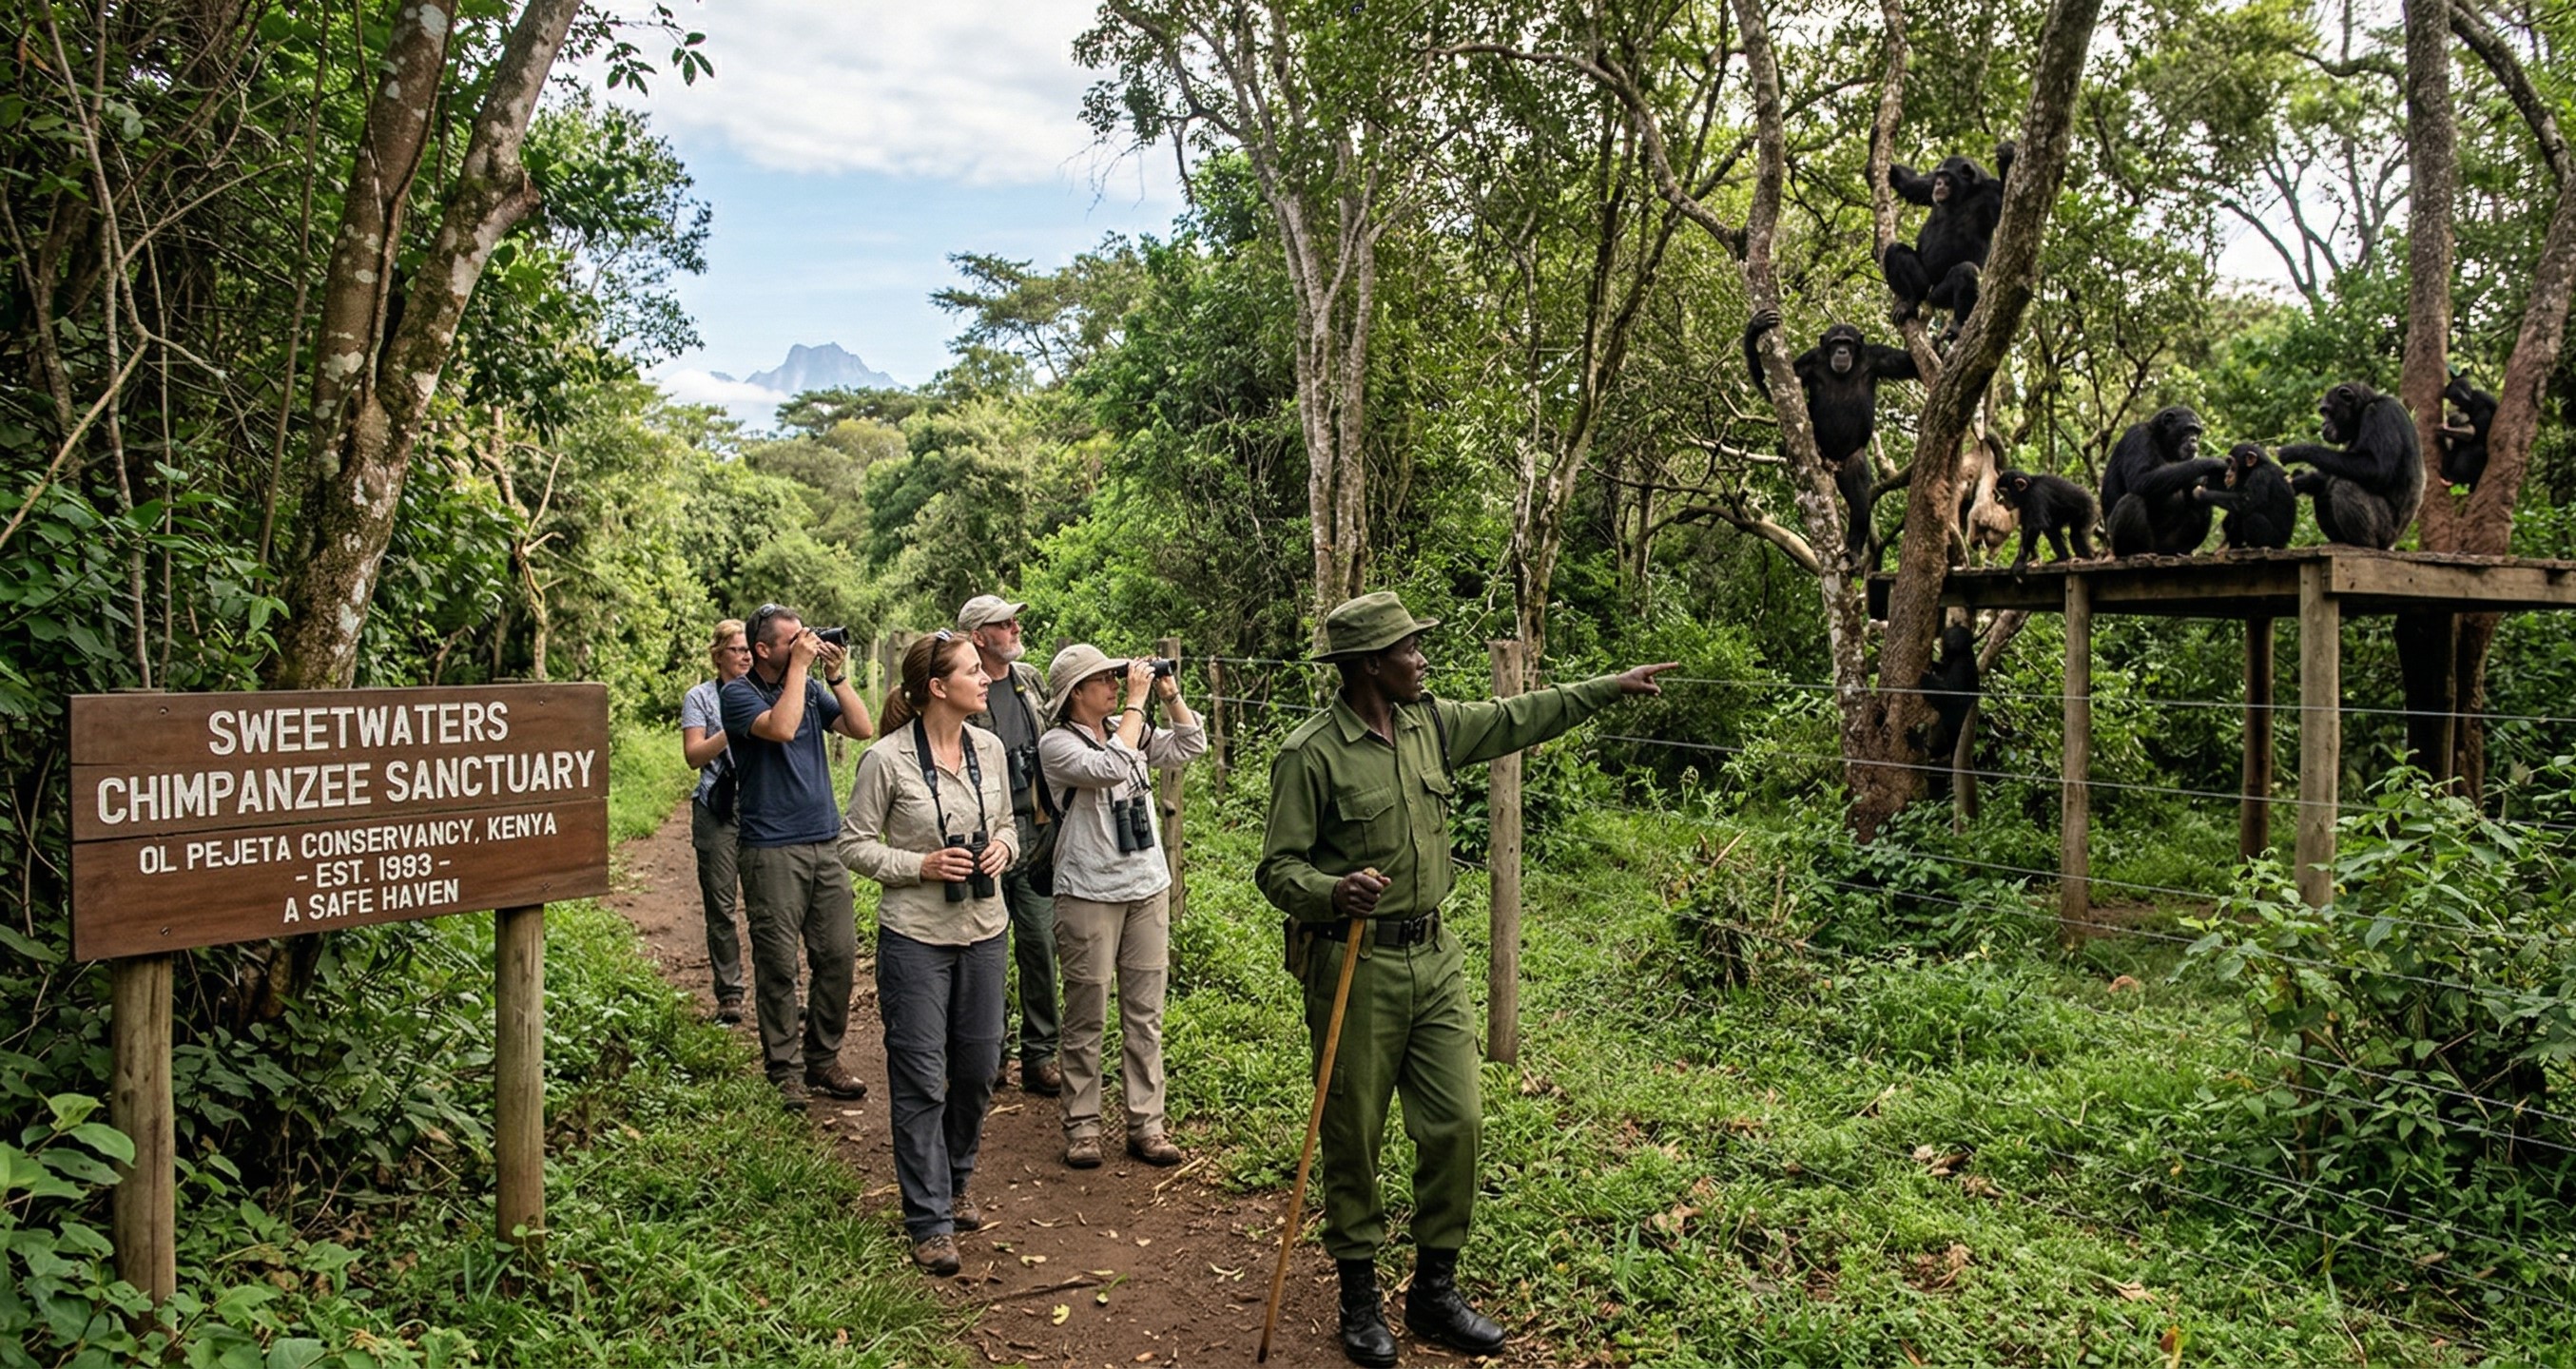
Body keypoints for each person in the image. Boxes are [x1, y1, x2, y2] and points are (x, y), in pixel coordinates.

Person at [1256, 591, 1675, 1367]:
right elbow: (1277, 868)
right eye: (1408, 650)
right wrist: (1332, 891)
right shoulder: (1309, 754)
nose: (1421, 660)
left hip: (1435, 958)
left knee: (1457, 1122)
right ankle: (1358, 1298)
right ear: (1368, 665)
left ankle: (1432, 1291)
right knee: (1353, 1134)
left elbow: (1517, 717)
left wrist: (1607, 688)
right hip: (1356, 963)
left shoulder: (1430, 724)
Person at [839, 631, 1019, 1277]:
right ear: (938, 688)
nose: (986, 677)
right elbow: (854, 844)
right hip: (915, 939)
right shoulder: (885, 760)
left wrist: (1003, 849)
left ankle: (956, 1180)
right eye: (973, 670)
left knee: (978, 1068)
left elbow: (1008, 824)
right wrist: (920, 865)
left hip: (985, 930)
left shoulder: (989, 749)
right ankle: (929, 1220)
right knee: (919, 1077)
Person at [1036, 646, 1207, 1170]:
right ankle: (1082, 1127)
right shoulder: (1057, 744)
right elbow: (1110, 766)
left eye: (1117, 677)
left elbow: (1191, 744)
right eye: (1104, 680)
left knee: (1145, 1016)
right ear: (1075, 693)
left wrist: (1168, 695)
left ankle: (1147, 1125)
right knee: (1086, 1013)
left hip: (1146, 886)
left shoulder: (1127, 727)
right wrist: (1136, 703)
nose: (1114, 685)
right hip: (1088, 889)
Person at [720, 604, 877, 1111]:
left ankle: (822, 1059)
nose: (803, 644)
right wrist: (803, 669)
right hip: (770, 847)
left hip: (824, 840)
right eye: (792, 641)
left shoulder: (808, 687)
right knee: (778, 965)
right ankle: (785, 1070)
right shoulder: (737, 694)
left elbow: (861, 728)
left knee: (838, 956)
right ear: (762, 649)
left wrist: (836, 676)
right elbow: (782, 728)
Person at [957, 594, 1064, 1097]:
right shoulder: (961, 687)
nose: (1015, 628)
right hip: (984, 837)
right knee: (986, 949)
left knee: (1040, 945)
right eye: (1003, 623)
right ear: (978, 637)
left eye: (1014, 621)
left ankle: (1040, 1055)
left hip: (1035, 831)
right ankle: (991, 1054)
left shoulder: (1030, 680)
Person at [680, 618, 752, 1025]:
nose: (744, 656)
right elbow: (694, 755)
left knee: (770, 904)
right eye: (736, 650)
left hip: (760, 803)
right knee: (721, 904)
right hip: (716, 804)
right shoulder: (700, 697)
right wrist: (732, 729)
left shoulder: (765, 691)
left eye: (748, 650)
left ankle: (781, 992)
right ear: (718, 655)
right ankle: (730, 994)